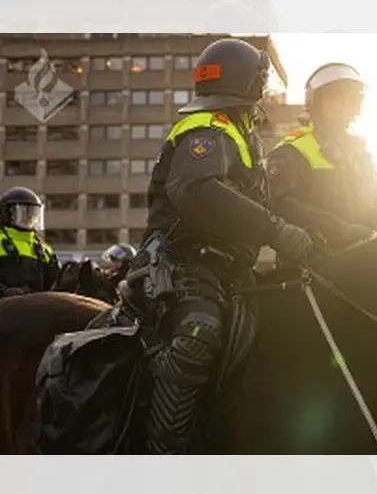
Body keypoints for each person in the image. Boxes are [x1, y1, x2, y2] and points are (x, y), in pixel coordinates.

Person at [127, 38, 315, 454]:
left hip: (227, 270)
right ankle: (164, 452)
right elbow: (196, 190)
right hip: (180, 264)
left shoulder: (242, 134)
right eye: (262, 82)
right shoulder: (207, 130)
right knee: (200, 332)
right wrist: (277, 230)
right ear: (251, 83)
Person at [266, 62, 377, 254]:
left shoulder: (361, 152)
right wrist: (343, 230)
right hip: (312, 263)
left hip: (366, 257)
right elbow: (281, 206)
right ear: (315, 102)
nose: (342, 106)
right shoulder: (291, 150)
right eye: (335, 97)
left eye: (350, 99)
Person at [0, 186, 60, 297]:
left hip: (37, 309)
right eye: (23, 212)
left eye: (33, 212)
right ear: (6, 214)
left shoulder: (45, 249)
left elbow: (56, 285)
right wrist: (5, 291)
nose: (29, 216)